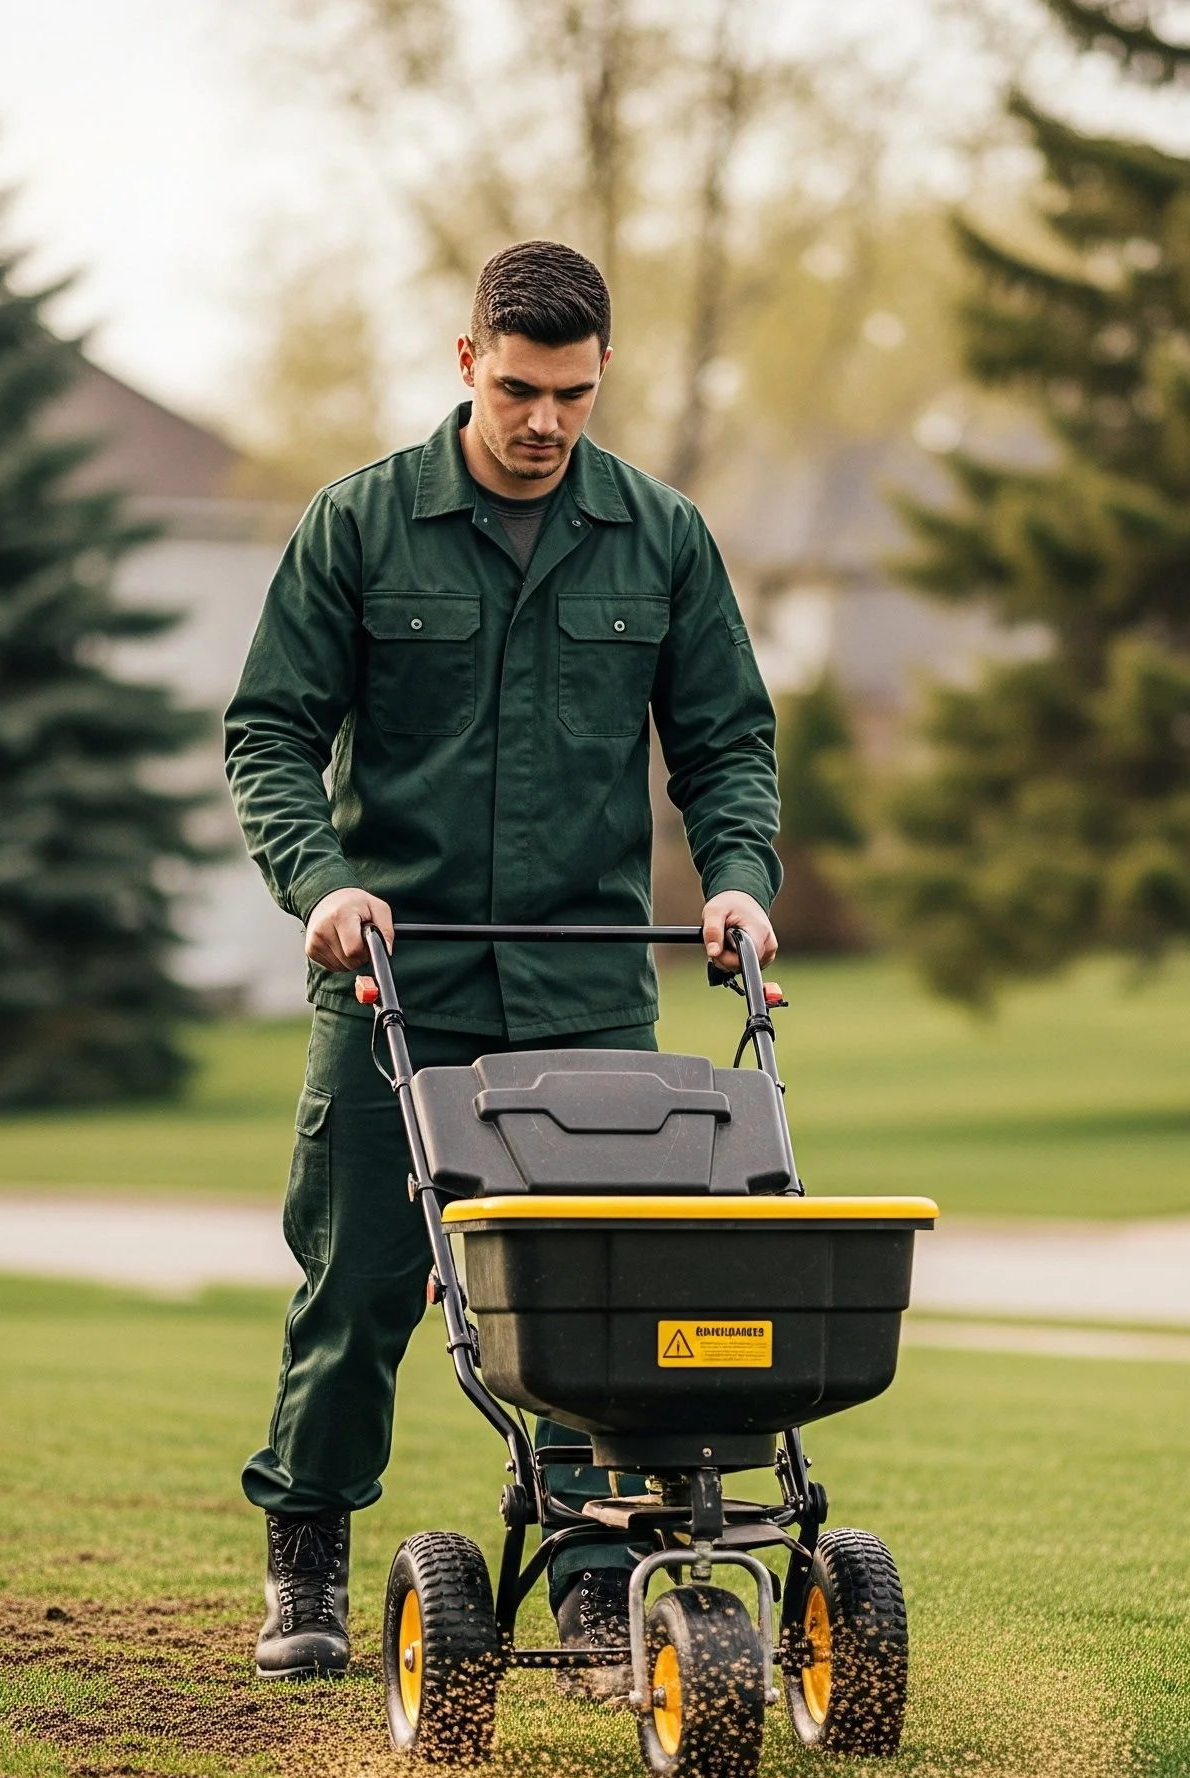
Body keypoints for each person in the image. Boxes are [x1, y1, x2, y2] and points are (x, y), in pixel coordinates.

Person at [224, 238, 780, 1679]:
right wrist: (322, 882)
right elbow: (270, 730)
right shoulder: (361, 528)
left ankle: (596, 1575)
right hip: (392, 978)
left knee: (588, 1290)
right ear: (467, 360)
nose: (545, 423)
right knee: (355, 1284)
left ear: (603, 379)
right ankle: (307, 1561)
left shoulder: (658, 537)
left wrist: (736, 886)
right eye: (522, 389)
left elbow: (726, 742)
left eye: (575, 396)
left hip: (587, 982)